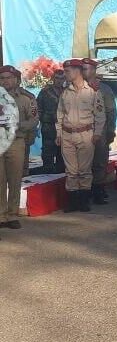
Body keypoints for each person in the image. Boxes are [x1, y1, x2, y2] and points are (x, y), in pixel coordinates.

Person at [56, 59, 105, 213]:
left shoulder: (92, 91)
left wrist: (97, 133)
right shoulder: (65, 92)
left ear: (77, 71)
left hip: (85, 134)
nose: (65, 74)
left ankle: (83, 201)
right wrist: (58, 133)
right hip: (67, 134)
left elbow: (100, 114)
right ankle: (72, 202)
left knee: (84, 170)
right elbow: (60, 114)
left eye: (68, 71)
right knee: (71, 171)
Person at [0, 66, 38, 229]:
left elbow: (34, 120)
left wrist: (17, 125)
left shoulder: (26, 98)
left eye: (8, 78)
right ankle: (1, 215)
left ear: (16, 79)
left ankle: (12, 215)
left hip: (16, 142)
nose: (5, 81)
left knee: (15, 180)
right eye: (2, 78)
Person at [81, 58, 117, 206]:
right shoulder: (76, 87)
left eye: (86, 69)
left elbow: (111, 111)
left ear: (94, 70)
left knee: (100, 162)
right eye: (82, 69)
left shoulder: (104, 89)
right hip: (82, 131)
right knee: (83, 163)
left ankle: (98, 191)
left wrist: (110, 131)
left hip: (100, 131)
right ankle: (84, 192)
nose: (83, 72)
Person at [37, 69, 65, 174]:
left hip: (63, 127)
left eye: (61, 78)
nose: (59, 81)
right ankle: (47, 172)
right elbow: (38, 108)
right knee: (48, 151)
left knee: (62, 152)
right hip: (49, 127)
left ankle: (60, 173)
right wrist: (38, 123)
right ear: (53, 79)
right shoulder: (45, 92)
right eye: (57, 78)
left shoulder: (67, 91)